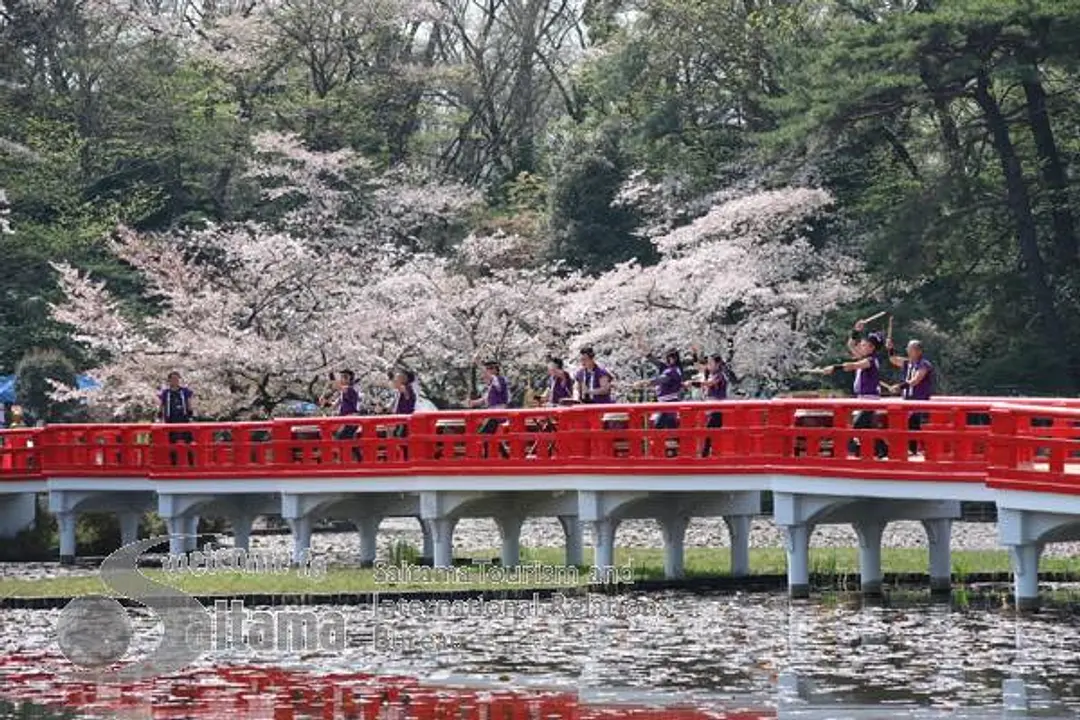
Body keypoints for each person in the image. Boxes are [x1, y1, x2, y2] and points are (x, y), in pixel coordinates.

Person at [824, 322, 887, 458]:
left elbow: (852, 366)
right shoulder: (865, 357)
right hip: (862, 398)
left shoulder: (871, 360)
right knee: (866, 427)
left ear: (871, 348)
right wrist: (856, 331)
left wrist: (834, 368)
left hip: (870, 399)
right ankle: (881, 449)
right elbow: (851, 345)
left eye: (863, 345)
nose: (860, 347)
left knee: (858, 425)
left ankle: (859, 449)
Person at [885, 338, 934, 454]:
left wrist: (899, 387)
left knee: (913, 422)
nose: (908, 351)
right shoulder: (907, 363)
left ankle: (915, 449)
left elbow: (916, 380)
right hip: (907, 400)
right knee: (911, 424)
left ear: (919, 351)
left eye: (911, 349)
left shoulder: (924, 364)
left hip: (919, 399)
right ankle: (914, 449)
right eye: (908, 349)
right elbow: (893, 359)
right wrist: (890, 348)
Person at [467, 361, 510, 457]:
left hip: (498, 412)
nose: (487, 373)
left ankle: (488, 456)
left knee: (484, 434)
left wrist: (478, 364)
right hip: (493, 413)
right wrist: (474, 402)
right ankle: (504, 454)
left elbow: (490, 377)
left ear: (494, 370)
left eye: (489, 369)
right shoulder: (492, 384)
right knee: (488, 434)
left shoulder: (499, 380)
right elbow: (485, 399)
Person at [159, 372, 195, 465]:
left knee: (188, 440)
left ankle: (191, 462)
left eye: (177, 378)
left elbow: (189, 402)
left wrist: (190, 412)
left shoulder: (184, 391)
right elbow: (162, 404)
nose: (175, 380)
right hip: (170, 419)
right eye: (173, 379)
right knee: (171, 441)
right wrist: (160, 413)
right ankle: (173, 462)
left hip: (183, 418)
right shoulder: (166, 393)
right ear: (169, 380)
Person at [645, 348, 684, 430]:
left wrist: (646, 382)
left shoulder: (674, 370)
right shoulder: (668, 368)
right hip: (664, 403)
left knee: (664, 426)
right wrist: (647, 353)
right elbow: (657, 363)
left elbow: (662, 379)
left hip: (670, 402)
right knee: (662, 427)